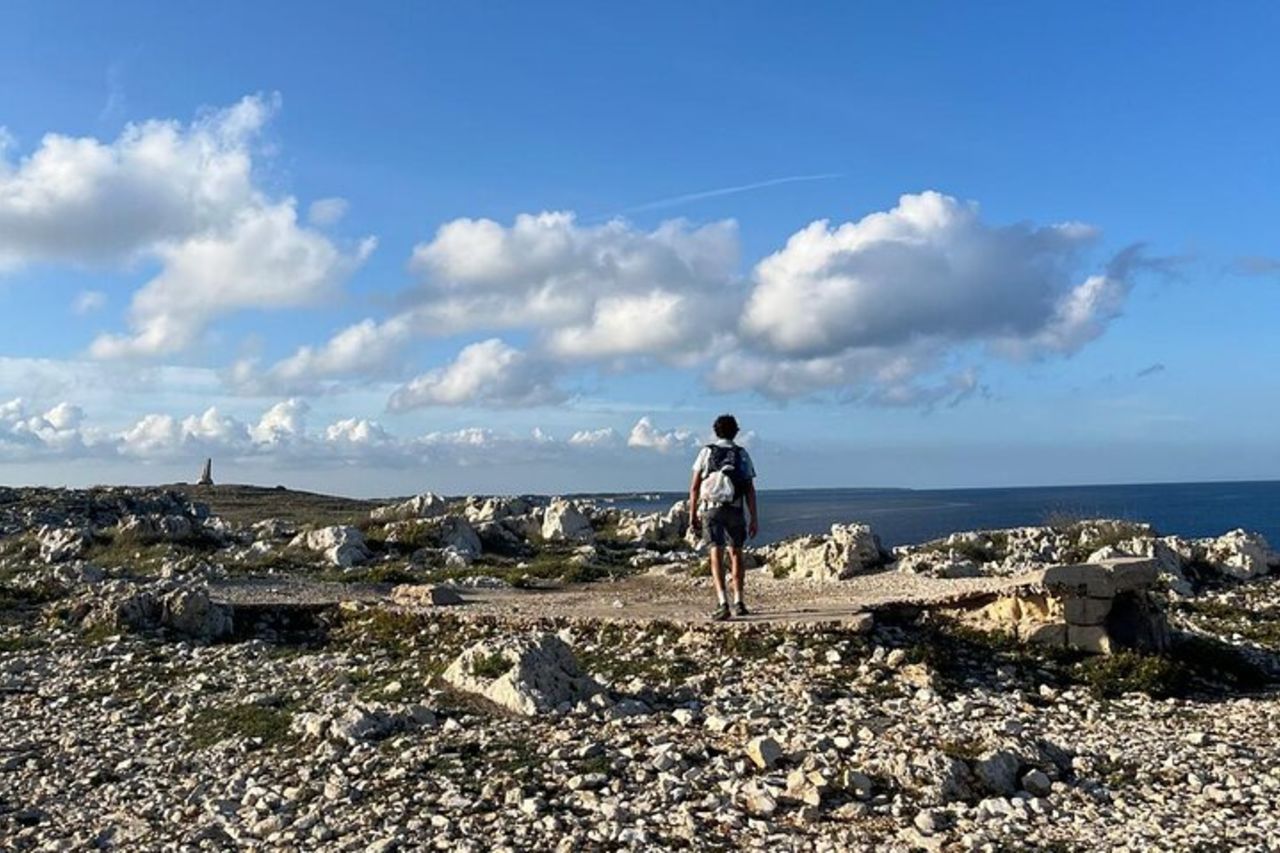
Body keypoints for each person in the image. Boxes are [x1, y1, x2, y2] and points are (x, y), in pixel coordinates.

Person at [688, 414, 758, 621]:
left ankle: (722, 602)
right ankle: (739, 601)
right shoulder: (742, 454)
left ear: (715, 431)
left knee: (715, 554)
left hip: (712, 509)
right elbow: (750, 489)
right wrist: (754, 517)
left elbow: (694, 487)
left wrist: (693, 514)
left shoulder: (706, 452)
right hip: (735, 508)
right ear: (736, 432)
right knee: (736, 553)